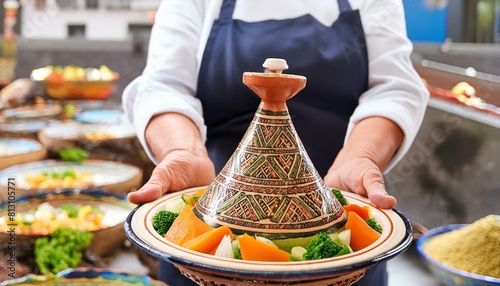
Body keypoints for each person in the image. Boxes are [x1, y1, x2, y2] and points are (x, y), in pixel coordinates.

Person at [122, 0, 429, 285]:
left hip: (343, 221)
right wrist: (181, 150)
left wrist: (362, 155)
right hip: (208, 235)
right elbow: (164, 86)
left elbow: (394, 88)